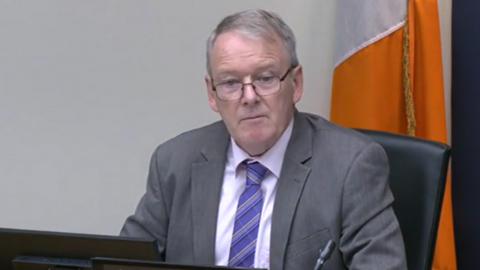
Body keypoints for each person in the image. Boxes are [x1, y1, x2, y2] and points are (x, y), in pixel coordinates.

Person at [120, 8, 407, 270]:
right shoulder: (174, 162)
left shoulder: (351, 166)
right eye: (231, 83)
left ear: (295, 83)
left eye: (265, 78)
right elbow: (123, 262)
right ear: (212, 93)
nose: (249, 97)